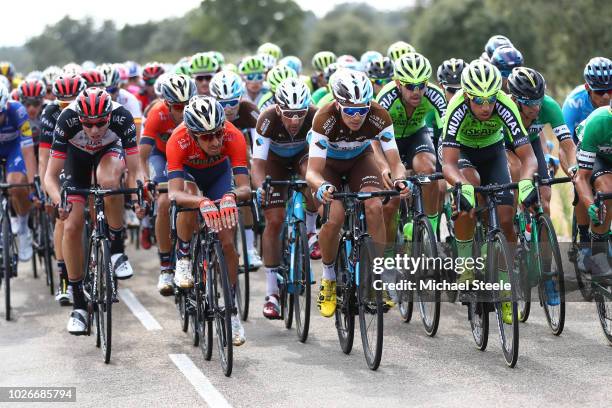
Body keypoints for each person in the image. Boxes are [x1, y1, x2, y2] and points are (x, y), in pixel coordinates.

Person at [305, 70, 408, 317]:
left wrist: (401, 180)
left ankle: (377, 277)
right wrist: (322, 187)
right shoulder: (324, 118)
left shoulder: (379, 115)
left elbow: (395, 163)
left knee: (374, 206)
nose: (357, 116)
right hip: (328, 165)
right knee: (334, 217)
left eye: (362, 109)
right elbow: (312, 172)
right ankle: (329, 278)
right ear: (338, 104)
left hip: (360, 160)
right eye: (350, 110)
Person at [441, 60, 537, 323]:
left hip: (493, 152)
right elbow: (448, 163)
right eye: (479, 100)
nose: (485, 107)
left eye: (490, 100)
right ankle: (464, 265)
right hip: (462, 153)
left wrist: (527, 181)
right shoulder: (456, 106)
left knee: (506, 220)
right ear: (468, 95)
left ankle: (506, 290)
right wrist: (460, 186)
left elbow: (528, 158)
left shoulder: (505, 105)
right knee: (468, 196)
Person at [45, 88, 144, 334]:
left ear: (109, 115)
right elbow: (49, 177)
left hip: (108, 153)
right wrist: (59, 201)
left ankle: (117, 250)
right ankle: (78, 304)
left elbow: (135, 170)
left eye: (101, 123)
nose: (95, 130)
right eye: (88, 124)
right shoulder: (66, 119)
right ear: (79, 118)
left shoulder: (122, 117)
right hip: (76, 160)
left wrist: (136, 197)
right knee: (71, 225)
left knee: (109, 182)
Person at [166, 96, 250, 346]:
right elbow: (174, 193)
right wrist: (202, 203)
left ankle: (232, 309)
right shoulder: (177, 140)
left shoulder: (233, 136)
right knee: (190, 199)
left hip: (218, 176)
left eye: (217, 134)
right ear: (192, 135)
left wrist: (230, 196)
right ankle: (183, 256)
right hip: (190, 177)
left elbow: (246, 188)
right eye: (206, 137)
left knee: (227, 243)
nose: (215, 141)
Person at [251, 78, 320, 318]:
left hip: (302, 157)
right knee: (275, 220)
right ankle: (271, 293)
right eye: (289, 114)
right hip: (274, 163)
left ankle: (310, 231)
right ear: (279, 108)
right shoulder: (267, 119)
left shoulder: (315, 115)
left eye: (300, 114)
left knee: (312, 178)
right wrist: (262, 188)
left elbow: (322, 161)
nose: (294, 120)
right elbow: (258, 165)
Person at [375, 52, 446, 252]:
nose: (416, 92)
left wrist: (444, 169)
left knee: (429, 171)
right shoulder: (386, 97)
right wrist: (382, 167)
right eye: (409, 86)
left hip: (416, 135)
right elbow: (373, 140)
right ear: (398, 83)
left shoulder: (434, 95)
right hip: (389, 141)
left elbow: (446, 134)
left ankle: (428, 233)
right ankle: (388, 253)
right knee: (391, 203)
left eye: (421, 85)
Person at [140, 74, 196, 295]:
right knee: (164, 201)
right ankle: (165, 268)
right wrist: (146, 180)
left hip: (189, 155)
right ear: (167, 104)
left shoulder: (200, 111)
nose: (183, 112)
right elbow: (142, 156)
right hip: (160, 156)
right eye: (177, 106)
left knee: (194, 195)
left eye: (187, 105)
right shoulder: (157, 114)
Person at [39, 74, 86, 306]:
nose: (69, 107)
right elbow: (44, 158)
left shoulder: (90, 109)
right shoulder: (50, 113)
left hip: (88, 156)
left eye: (73, 102)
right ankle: (64, 279)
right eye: (63, 103)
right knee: (63, 216)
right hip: (62, 159)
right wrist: (47, 190)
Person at [210, 70, 264, 268]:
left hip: (241, 153)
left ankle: (249, 248)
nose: (229, 108)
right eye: (223, 104)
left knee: (247, 188)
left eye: (233, 102)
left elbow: (261, 141)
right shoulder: (208, 110)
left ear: (240, 98)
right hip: (215, 157)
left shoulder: (249, 109)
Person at [562, 57, 612, 271]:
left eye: (610, 89)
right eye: (600, 91)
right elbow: (566, 144)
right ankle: (587, 244)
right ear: (587, 88)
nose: (606, 96)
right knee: (597, 186)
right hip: (584, 143)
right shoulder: (576, 104)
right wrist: (590, 202)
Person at [575, 101, 612, 280]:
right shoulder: (599, 122)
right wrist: (591, 205)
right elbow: (581, 177)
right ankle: (598, 254)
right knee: (607, 191)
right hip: (596, 156)